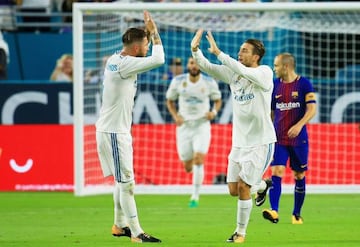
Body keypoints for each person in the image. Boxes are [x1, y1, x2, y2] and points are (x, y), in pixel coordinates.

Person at [190, 29, 276, 244]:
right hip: (239, 143)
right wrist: (195, 51)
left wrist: (220, 53)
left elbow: (242, 70)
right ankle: (264, 186)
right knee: (233, 190)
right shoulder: (234, 74)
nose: (240, 53)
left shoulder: (264, 73)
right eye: (239, 50)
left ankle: (240, 233)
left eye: (244, 51)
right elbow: (207, 67)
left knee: (245, 187)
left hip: (261, 142)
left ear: (256, 56)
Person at [95, 10, 164, 243]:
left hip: (114, 130)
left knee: (121, 181)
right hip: (114, 132)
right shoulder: (125, 64)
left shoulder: (115, 59)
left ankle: (118, 225)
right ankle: (136, 232)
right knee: (128, 184)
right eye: (145, 44)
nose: (147, 48)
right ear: (136, 48)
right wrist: (154, 34)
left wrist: (149, 34)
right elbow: (159, 59)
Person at [259, 53, 316, 225]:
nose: (274, 69)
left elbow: (312, 109)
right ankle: (274, 211)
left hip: (299, 140)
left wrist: (299, 125)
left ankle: (296, 214)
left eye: (276, 66)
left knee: (299, 175)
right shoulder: (274, 86)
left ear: (286, 66)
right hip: (279, 139)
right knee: (277, 171)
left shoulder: (304, 84)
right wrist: (267, 131)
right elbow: (270, 112)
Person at [166, 56, 222, 208]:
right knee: (188, 166)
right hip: (184, 127)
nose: (194, 66)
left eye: (197, 63)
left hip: (202, 125)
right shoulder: (178, 81)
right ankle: (194, 176)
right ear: (188, 65)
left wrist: (214, 113)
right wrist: (175, 116)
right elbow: (169, 100)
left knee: (199, 159)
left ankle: (195, 196)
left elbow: (218, 100)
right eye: (191, 63)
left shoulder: (209, 82)